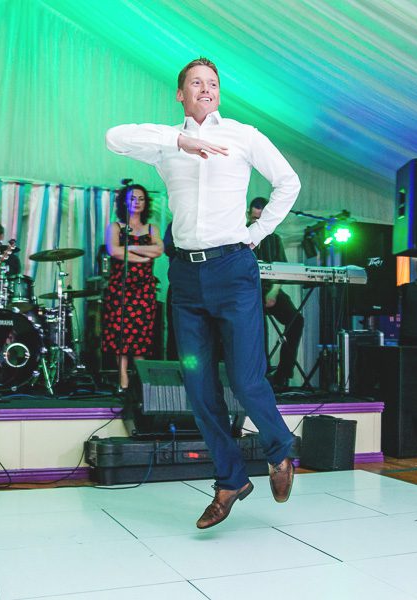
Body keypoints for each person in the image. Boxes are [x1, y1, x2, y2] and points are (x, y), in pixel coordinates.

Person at [106, 57, 300, 529]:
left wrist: (257, 234)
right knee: (197, 386)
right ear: (181, 93)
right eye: (196, 82)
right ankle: (230, 480)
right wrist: (179, 141)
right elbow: (114, 137)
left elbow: (288, 182)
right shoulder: (165, 144)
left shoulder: (243, 135)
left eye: (212, 82)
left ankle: (279, 451)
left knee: (246, 380)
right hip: (186, 280)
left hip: (233, 270)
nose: (206, 88)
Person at [101, 184, 163, 391]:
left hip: (144, 290)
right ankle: (123, 380)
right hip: (121, 288)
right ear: (124, 202)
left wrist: (131, 247)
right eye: (133, 198)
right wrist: (143, 257)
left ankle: (141, 382)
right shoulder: (115, 227)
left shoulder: (152, 228)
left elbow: (158, 250)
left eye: (141, 199)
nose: (137, 202)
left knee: (141, 335)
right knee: (121, 334)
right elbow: (114, 251)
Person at [248, 196, 304, 390]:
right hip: (248, 292)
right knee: (257, 322)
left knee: (296, 320)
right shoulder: (241, 236)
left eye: (260, 219)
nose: (257, 223)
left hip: (270, 289)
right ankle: (260, 373)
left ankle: (283, 374)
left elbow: (281, 269)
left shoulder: (274, 239)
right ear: (248, 215)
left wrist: (273, 292)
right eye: (254, 219)